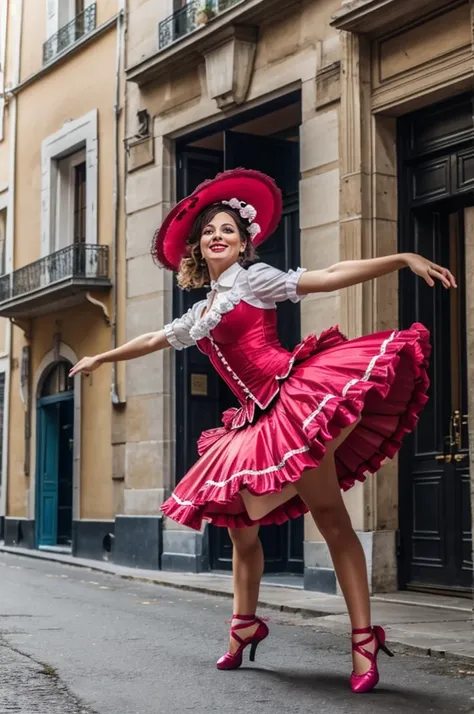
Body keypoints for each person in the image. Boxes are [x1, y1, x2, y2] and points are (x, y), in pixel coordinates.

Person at [70, 169, 456, 693]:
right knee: (240, 529)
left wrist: (399, 259)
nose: (218, 236)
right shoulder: (200, 312)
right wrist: (100, 355)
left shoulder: (255, 280)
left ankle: (364, 638)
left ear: (243, 240)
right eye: (209, 231)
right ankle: (244, 625)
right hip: (253, 419)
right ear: (198, 249)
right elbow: (152, 338)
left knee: (329, 517)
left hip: (292, 398)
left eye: (228, 229)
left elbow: (330, 272)